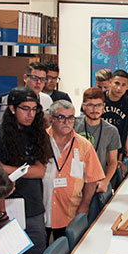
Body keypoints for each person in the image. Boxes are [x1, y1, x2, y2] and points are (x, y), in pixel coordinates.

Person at [0, 87, 53, 254]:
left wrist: (9, 170)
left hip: (33, 207)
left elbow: (40, 171)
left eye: (34, 109)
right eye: (25, 109)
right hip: (8, 207)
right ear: (13, 109)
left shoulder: (39, 134)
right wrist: (1, 214)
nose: (30, 114)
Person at [43, 101, 104, 241]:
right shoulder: (40, 141)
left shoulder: (84, 145)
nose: (67, 122)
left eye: (71, 118)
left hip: (69, 213)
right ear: (51, 119)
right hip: (41, 211)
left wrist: (84, 206)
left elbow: (92, 179)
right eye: (61, 118)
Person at [75, 88, 121, 198]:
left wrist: (105, 181)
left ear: (103, 106)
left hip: (97, 183)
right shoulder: (74, 125)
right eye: (90, 105)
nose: (95, 109)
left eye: (99, 105)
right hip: (75, 180)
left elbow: (113, 161)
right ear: (83, 106)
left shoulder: (111, 130)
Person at [102, 70, 128, 166]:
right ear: (110, 82)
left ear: (127, 87)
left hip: (115, 148)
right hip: (98, 146)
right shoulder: (100, 98)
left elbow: (124, 130)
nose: (119, 88)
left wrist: (120, 157)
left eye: (123, 85)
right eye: (116, 83)